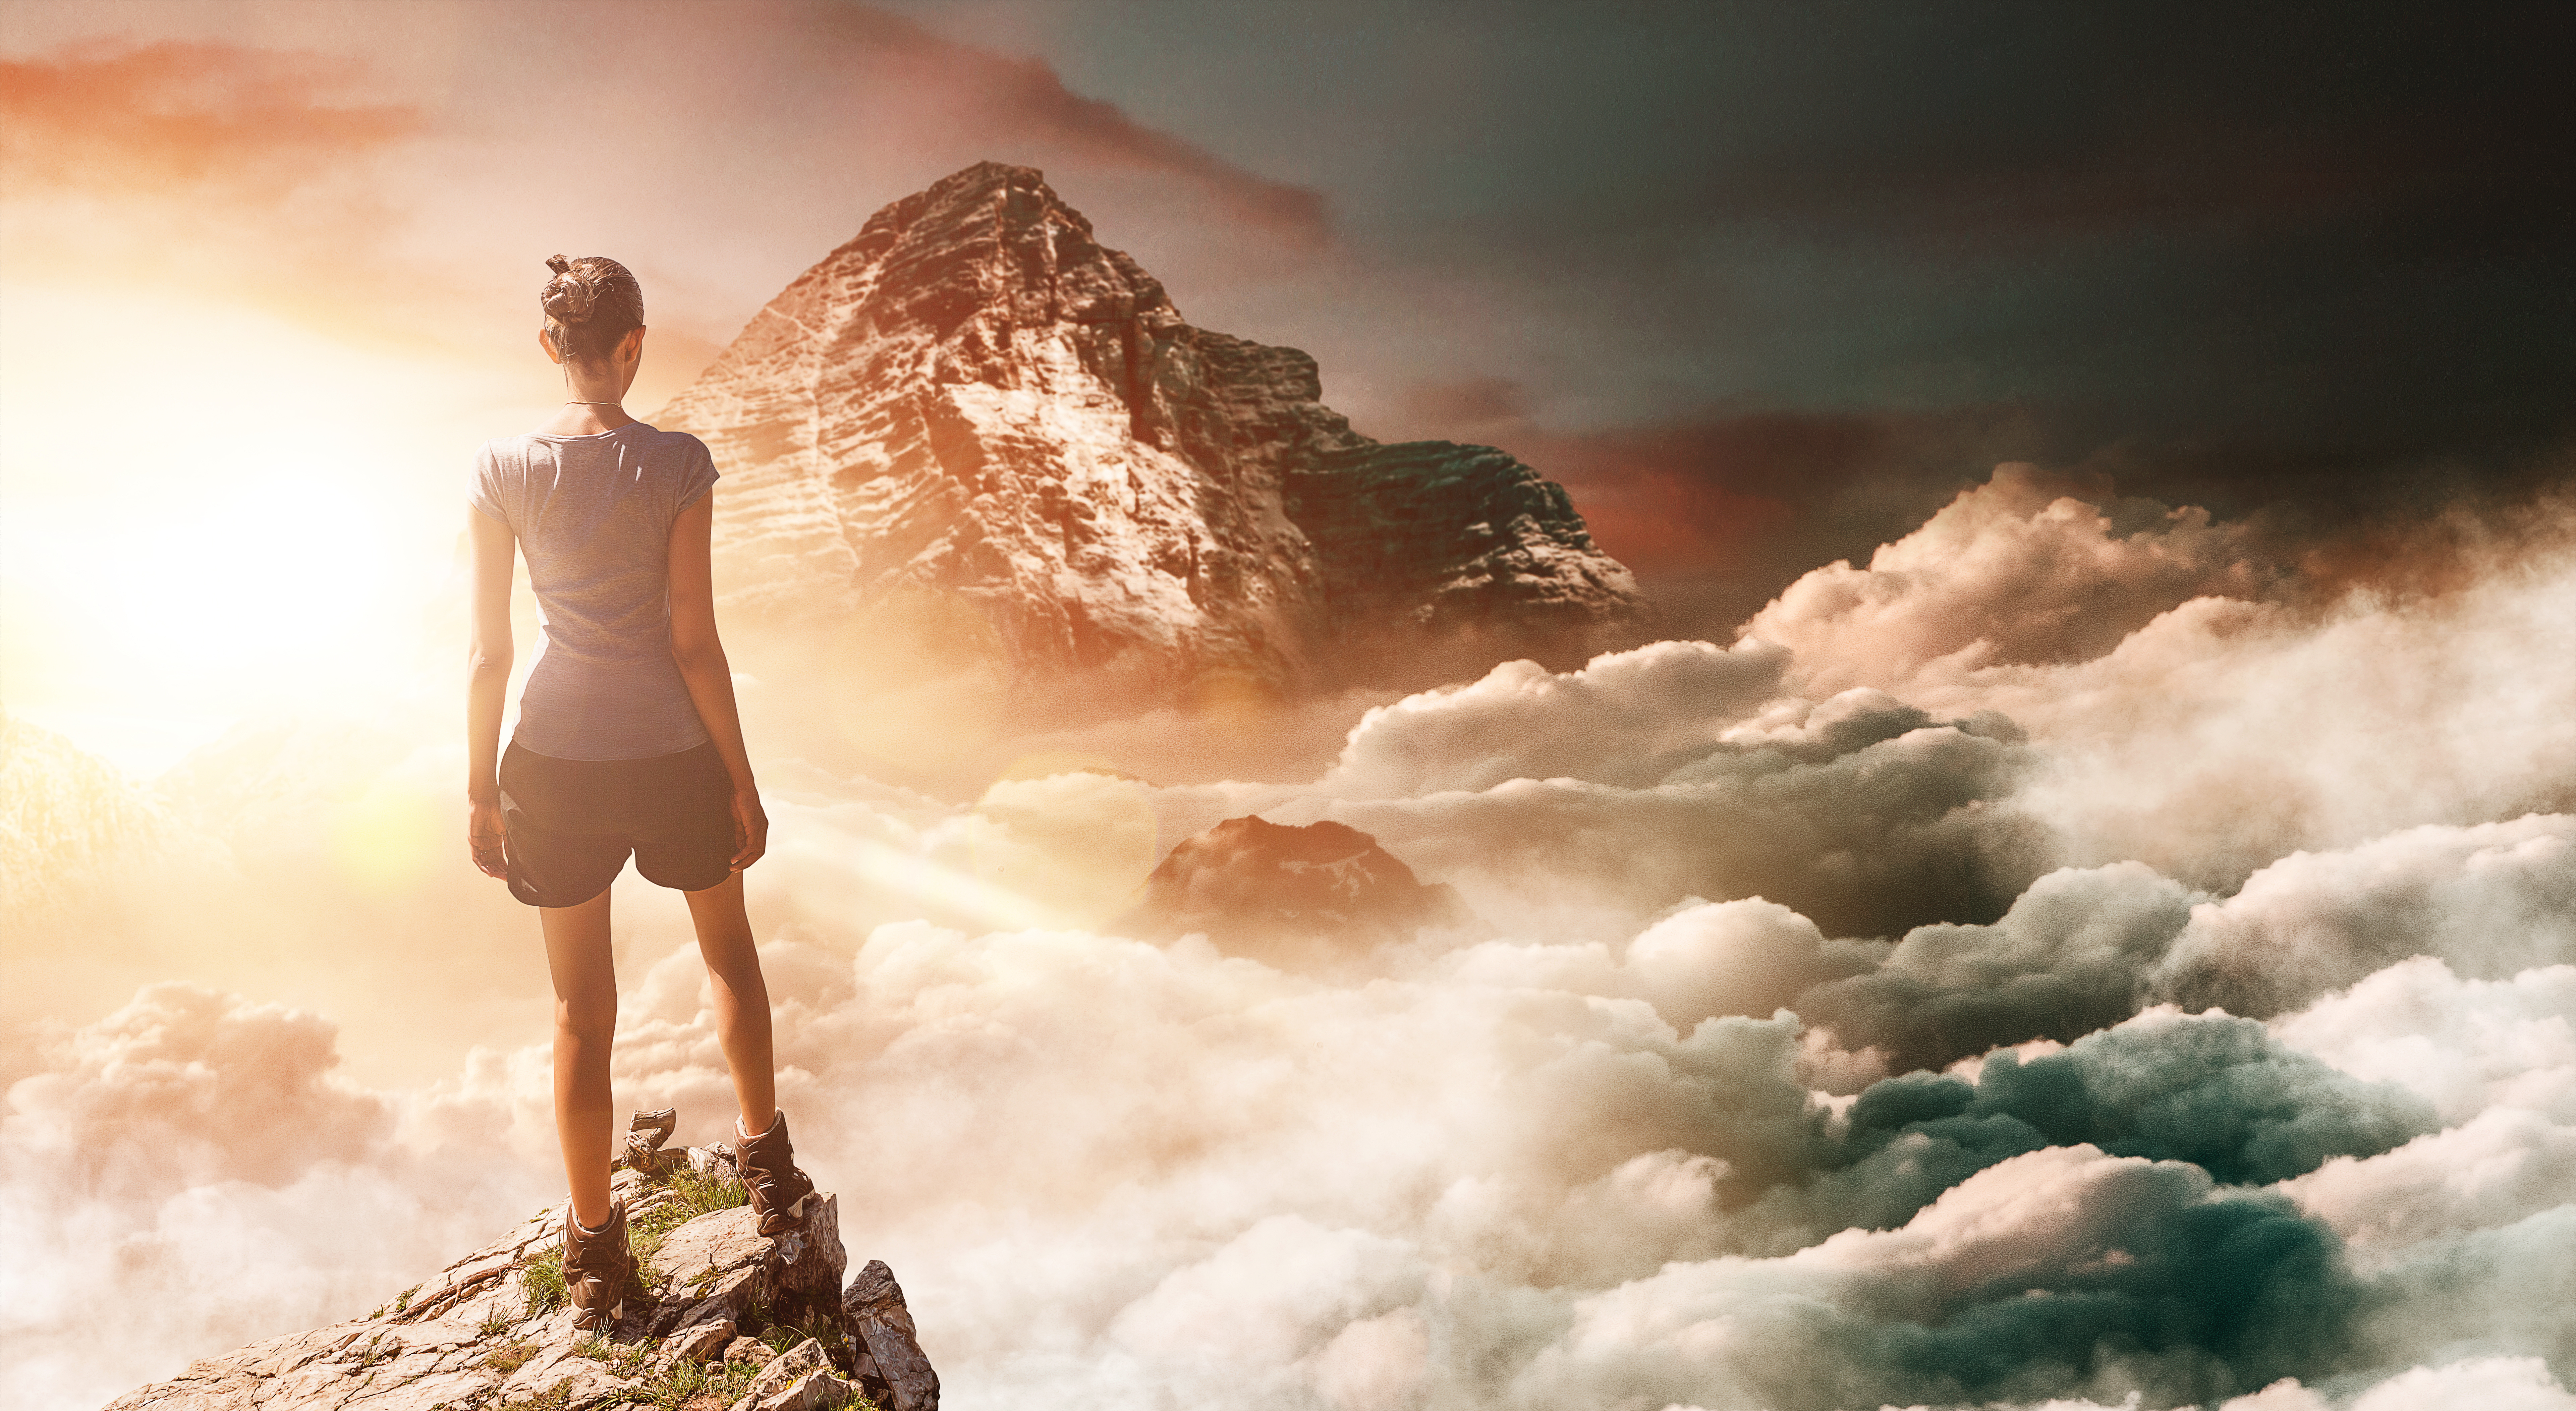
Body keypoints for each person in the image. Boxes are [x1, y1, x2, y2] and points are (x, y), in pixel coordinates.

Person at [465, 255, 814, 1332]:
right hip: (672, 756)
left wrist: (479, 787)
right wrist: (742, 779)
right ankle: (767, 1167)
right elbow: (693, 639)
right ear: (634, 346)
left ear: (546, 348)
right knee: (730, 958)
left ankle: (594, 1249)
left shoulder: (501, 468)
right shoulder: (678, 464)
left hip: (553, 764)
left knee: (581, 1012)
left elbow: (488, 651)